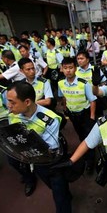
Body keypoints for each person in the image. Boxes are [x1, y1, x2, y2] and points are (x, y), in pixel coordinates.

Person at [6, 81, 72, 212]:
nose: (9, 106)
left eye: (13, 102)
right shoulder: (12, 116)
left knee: (60, 197)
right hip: (35, 163)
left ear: (27, 102)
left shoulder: (50, 119)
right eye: (8, 101)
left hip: (51, 163)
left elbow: (50, 148)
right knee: (53, 187)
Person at [58, 57, 97, 174]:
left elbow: (93, 100)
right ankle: (85, 154)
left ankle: (90, 162)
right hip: (73, 115)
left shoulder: (84, 83)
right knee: (81, 136)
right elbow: (63, 97)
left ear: (75, 69)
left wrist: (92, 117)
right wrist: (65, 109)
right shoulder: (60, 83)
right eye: (65, 68)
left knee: (88, 138)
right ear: (62, 69)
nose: (68, 70)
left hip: (85, 115)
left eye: (70, 68)